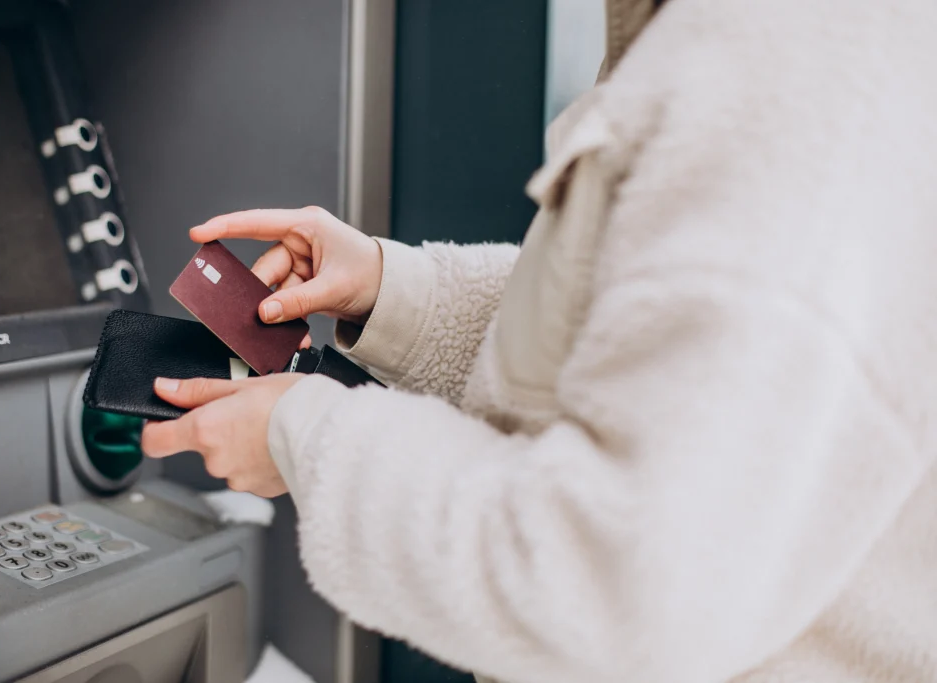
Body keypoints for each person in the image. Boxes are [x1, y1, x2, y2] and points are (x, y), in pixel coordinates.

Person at [141, 0, 937, 681]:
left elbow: (620, 583)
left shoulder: (784, 60)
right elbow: (655, 345)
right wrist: (396, 290)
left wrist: (303, 435)